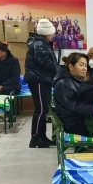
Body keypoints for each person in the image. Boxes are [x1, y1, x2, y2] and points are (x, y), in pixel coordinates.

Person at [52, 50, 93, 138]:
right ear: (71, 66)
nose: (84, 68)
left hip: (81, 118)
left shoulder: (78, 80)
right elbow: (73, 106)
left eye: (86, 65)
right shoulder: (63, 83)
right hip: (74, 124)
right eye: (81, 65)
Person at [26, 19, 58, 148]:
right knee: (41, 110)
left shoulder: (43, 43)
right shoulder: (39, 44)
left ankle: (42, 137)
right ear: (46, 33)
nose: (53, 36)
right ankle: (35, 138)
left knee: (43, 109)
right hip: (38, 80)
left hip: (43, 79)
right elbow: (46, 63)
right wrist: (61, 70)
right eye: (51, 33)